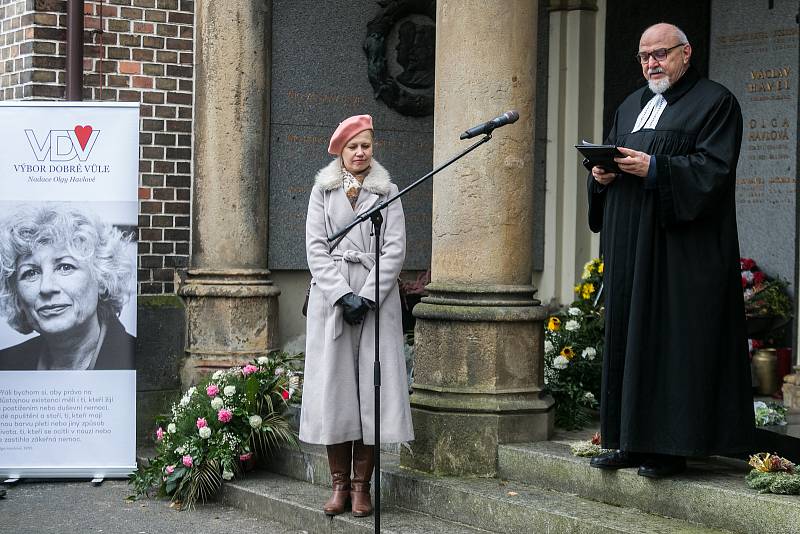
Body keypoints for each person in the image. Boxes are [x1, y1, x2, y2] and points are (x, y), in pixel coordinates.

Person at [587, 23, 754, 478]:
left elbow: (714, 171)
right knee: (628, 335)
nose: (651, 63)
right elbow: (614, 162)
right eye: (644, 56)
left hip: (680, 251)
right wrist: (600, 177)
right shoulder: (630, 105)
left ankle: (668, 448)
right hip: (629, 245)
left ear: (685, 53)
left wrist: (655, 167)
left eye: (660, 54)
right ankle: (624, 440)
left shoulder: (715, 103)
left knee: (670, 340)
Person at [300, 115, 413, 516]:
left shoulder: (389, 192)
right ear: (340, 152)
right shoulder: (322, 191)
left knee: (371, 391)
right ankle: (339, 487)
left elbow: (395, 250)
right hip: (332, 303)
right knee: (336, 391)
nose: (361, 152)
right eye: (353, 147)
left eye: (366, 145)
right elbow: (315, 249)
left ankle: (363, 487)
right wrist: (342, 295)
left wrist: (365, 297)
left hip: (374, 301)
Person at [0, 204, 135, 370]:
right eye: (30, 273)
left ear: (101, 279)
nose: (46, 287)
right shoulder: (5, 365)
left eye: (65, 267)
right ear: (17, 298)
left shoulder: (141, 361)